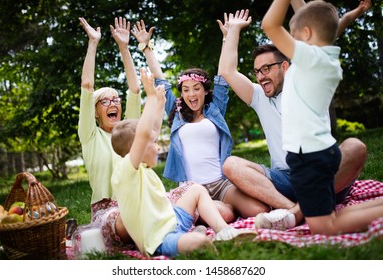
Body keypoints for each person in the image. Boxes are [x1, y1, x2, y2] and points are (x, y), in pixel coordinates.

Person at [218, 3, 370, 230]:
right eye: (257, 71)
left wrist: (355, 13)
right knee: (230, 164)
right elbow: (227, 71)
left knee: (355, 147)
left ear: (286, 66)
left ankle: (295, 214)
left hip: (324, 176)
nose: (261, 77)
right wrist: (233, 32)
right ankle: (294, 210)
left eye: (267, 68)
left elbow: (316, 27)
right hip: (286, 181)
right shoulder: (259, 97)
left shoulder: (306, 79)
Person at [260, 0, 383, 235]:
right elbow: (333, 26)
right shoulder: (324, 58)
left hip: (310, 157)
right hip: (319, 152)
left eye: (294, 36)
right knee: (329, 214)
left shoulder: (311, 59)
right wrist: (353, 14)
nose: (291, 43)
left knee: (324, 226)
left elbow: (270, 25)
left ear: (306, 35)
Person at [130, 20, 270, 221]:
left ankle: (215, 209)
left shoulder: (215, 109)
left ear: (205, 91)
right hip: (192, 188)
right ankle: (214, 210)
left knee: (259, 211)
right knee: (226, 215)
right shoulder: (176, 112)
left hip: (221, 183)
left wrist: (227, 37)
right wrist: (146, 47)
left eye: (196, 88)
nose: (191, 94)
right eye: (186, 90)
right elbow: (161, 80)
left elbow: (224, 74)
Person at [110, 68, 252, 257]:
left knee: (196, 189)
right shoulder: (126, 171)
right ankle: (197, 236)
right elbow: (144, 134)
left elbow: (151, 130)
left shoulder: (142, 167)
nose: (157, 146)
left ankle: (224, 230)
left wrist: (160, 102)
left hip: (173, 219)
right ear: (137, 150)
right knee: (199, 242)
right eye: (152, 144)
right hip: (159, 238)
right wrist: (150, 96)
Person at [78, 16, 141, 246]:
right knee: (132, 220)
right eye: (104, 101)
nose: (112, 103)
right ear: (94, 112)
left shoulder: (128, 130)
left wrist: (124, 47)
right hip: (108, 212)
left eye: (116, 99)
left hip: (136, 202)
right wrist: (93, 43)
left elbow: (134, 89)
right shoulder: (90, 136)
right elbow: (87, 86)